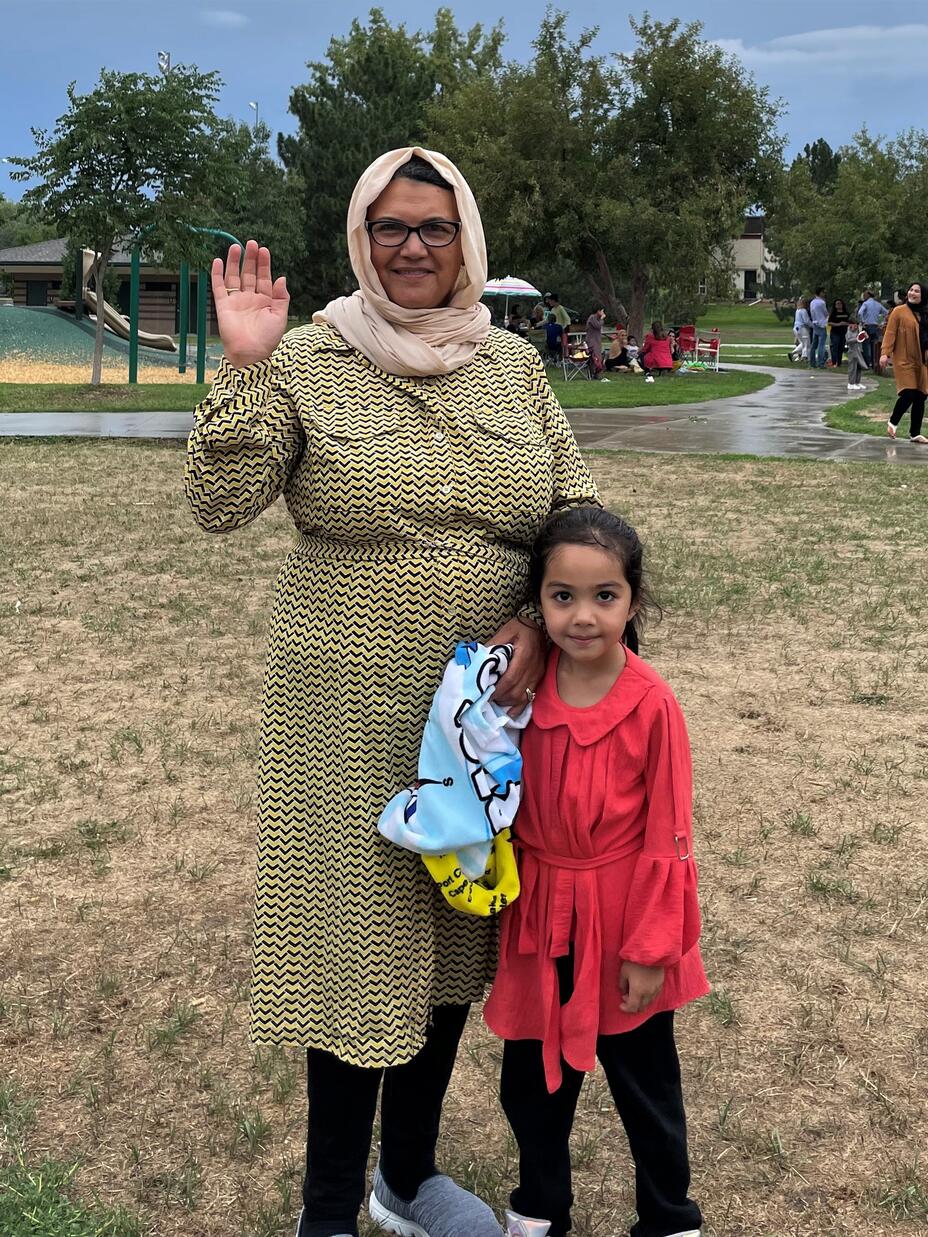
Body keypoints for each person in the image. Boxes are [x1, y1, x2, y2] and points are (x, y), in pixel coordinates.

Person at [184, 146, 601, 1237]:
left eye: (433, 226)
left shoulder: (513, 368)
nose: (411, 248)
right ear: (359, 239)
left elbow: (576, 508)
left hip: (487, 710)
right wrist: (242, 368)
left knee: (460, 929)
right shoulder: (308, 357)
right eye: (388, 227)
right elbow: (220, 505)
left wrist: (531, 621)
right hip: (349, 704)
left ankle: (405, 1178)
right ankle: (327, 1208)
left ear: (465, 236)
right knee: (358, 940)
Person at [484, 506, 708, 1237]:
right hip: (541, 917)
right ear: (538, 601)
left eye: (604, 595)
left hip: (621, 921)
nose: (583, 615)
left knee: (644, 1083)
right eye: (562, 596)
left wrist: (651, 947)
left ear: (633, 600)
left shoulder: (651, 703)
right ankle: (541, 1205)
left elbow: (668, 836)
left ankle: (669, 1217)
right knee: (531, 1082)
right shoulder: (527, 686)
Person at [880, 281, 928, 444]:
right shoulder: (898, 311)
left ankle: (915, 433)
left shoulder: (925, 313)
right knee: (909, 393)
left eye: (917, 291)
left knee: (921, 395)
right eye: (911, 290)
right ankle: (893, 422)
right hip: (904, 359)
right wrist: (885, 353)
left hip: (923, 361)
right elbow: (890, 333)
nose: (913, 293)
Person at [857, 289, 888, 370]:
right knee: (874, 346)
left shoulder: (866, 303)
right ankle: (874, 363)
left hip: (867, 326)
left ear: (868, 295)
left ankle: (867, 364)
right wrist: (882, 323)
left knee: (866, 346)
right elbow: (886, 313)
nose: (863, 296)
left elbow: (860, 313)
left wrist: (862, 321)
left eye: (864, 294)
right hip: (875, 326)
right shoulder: (878, 304)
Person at [808, 287, 828, 368]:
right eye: (823, 292)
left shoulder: (812, 302)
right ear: (820, 293)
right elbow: (825, 313)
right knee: (821, 345)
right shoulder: (822, 302)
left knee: (814, 345)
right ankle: (820, 363)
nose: (824, 294)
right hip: (822, 324)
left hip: (815, 323)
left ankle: (812, 362)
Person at [827, 298, 850, 367]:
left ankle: (839, 362)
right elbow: (829, 323)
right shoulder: (833, 314)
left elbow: (850, 322)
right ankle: (834, 362)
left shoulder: (846, 313)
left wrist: (845, 323)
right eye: (837, 304)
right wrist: (838, 324)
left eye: (840, 303)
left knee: (841, 347)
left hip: (843, 332)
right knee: (835, 346)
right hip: (835, 332)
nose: (839, 305)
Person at [845, 320, 867, 391]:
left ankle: (857, 382)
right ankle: (851, 383)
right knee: (852, 368)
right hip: (852, 352)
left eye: (856, 324)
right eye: (853, 324)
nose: (855, 326)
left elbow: (861, 338)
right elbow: (848, 341)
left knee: (858, 367)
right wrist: (856, 339)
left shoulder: (858, 330)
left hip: (858, 351)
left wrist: (864, 336)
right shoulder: (849, 331)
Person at [788, 298, 812, 363]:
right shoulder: (803, 310)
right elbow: (806, 321)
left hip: (796, 328)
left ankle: (792, 353)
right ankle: (805, 357)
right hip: (802, 328)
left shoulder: (797, 310)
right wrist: (813, 325)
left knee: (803, 343)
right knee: (807, 344)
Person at [585, 306, 606, 377]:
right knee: (595, 357)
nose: (603, 313)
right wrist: (602, 319)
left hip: (596, 340)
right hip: (592, 341)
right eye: (602, 311)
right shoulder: (592, 318)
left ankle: (596, 373)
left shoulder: (596, 318)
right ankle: (593, 372)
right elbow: (598, 325)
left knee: (598, 357)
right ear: (598, 311)